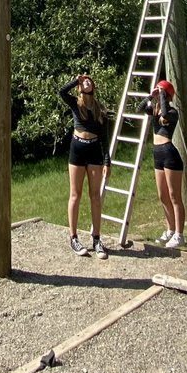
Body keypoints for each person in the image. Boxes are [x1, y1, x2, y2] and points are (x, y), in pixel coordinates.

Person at [58, 73, 111, 258]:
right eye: (84, 81)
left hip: (94, 151)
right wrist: (76, 80)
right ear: (80, 87)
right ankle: (73, 237)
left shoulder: (100, 110)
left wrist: (107, 161)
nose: (87, 81)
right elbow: (62, 92)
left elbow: (105, 138)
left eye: (89, 80)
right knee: (75, 194)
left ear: (93, 87)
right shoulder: (75, 103)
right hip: (77, 150)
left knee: (95, 195)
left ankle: (97, 238)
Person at [137, 80, 185, 249]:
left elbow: (164, 113)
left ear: (167, 95)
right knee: (162, 195)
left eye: (162, 93)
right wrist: (151, 95)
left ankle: (179, 234)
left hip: (169, 154)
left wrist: (163, 94)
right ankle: (170, 229)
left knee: (174, 196)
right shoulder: (154, 110)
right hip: (157, 155)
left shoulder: (172, 112)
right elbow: (140, 108)